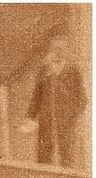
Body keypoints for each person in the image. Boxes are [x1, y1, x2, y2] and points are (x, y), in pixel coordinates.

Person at [23, 29, 87, 169]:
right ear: (50, 49)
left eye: (61, 49)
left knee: (67, 157)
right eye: (55, 48)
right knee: (44, 156)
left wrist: (71, 115)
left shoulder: (73, 71)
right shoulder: (44, 70)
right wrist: (30, 116)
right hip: (46, 121)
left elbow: (82, 99)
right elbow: (36, 97)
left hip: (66, 122)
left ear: (66, 50)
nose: (58, 52)